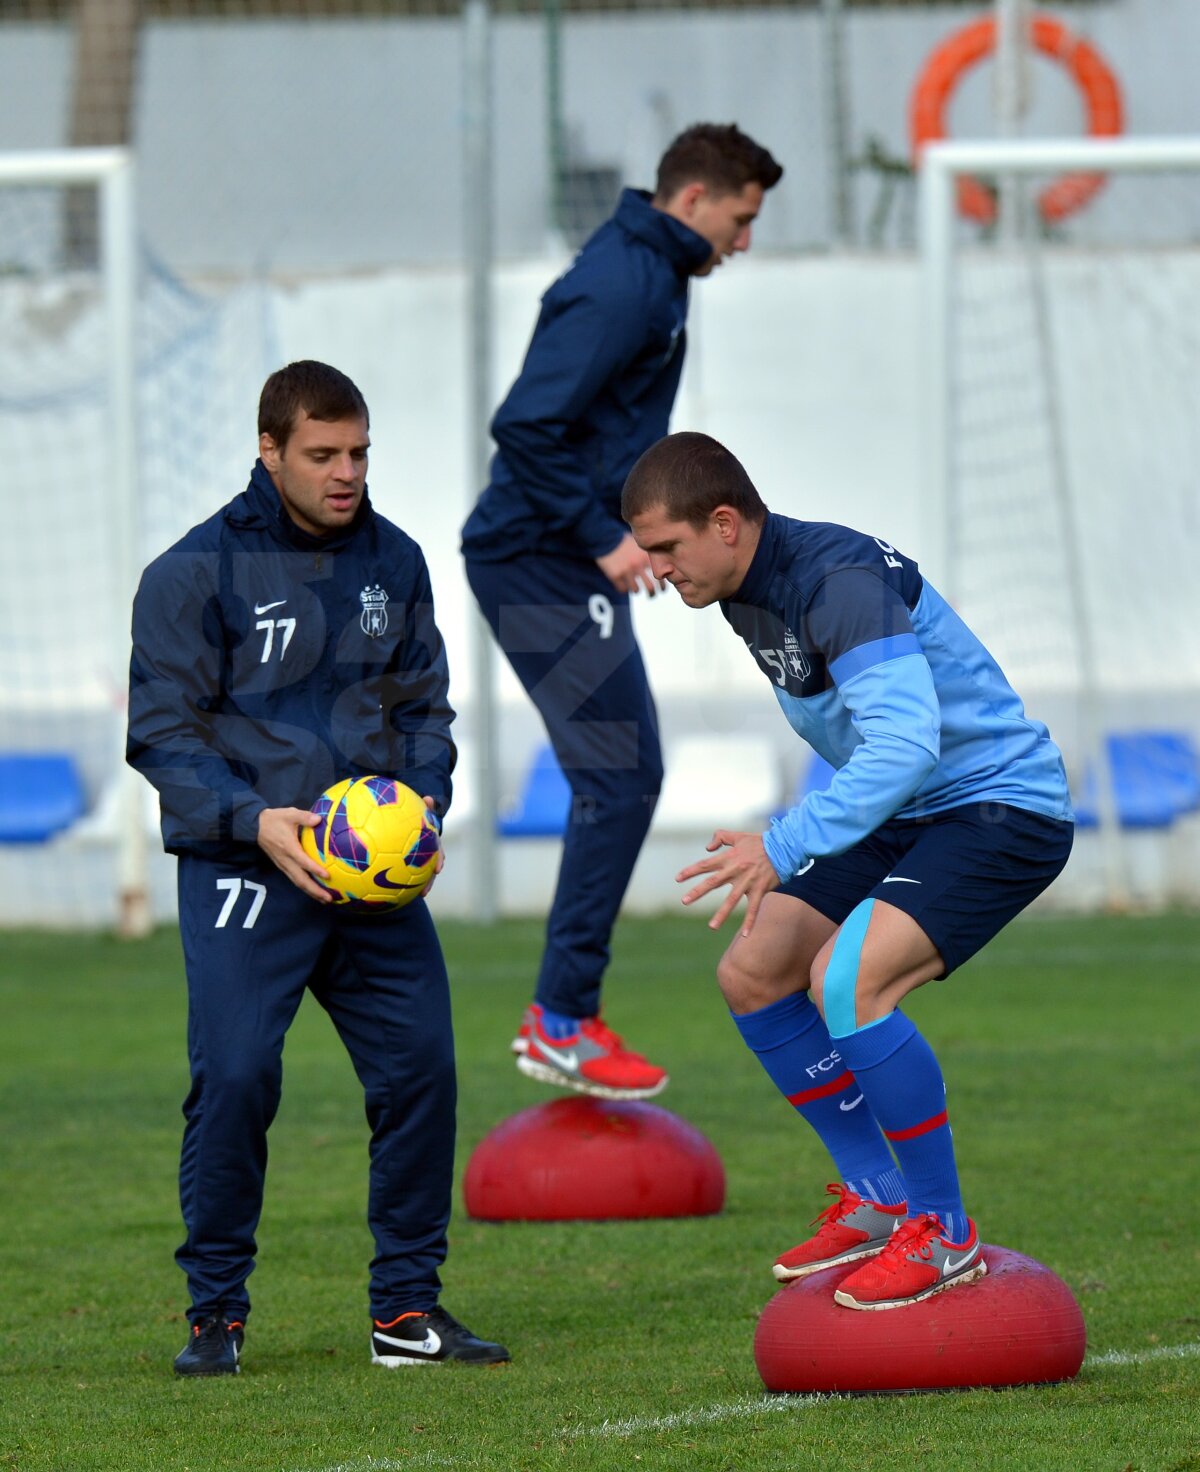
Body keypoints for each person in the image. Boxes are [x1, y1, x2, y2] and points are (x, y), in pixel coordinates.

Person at [621, 431, 1074, 1310]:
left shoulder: (835, 582)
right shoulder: (739, 589)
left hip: (1000, 808)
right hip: (907, 813)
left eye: (667, 548)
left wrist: (784, 843)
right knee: (754, 971)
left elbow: (905, 745)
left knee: (848, 982)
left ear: (724, 524)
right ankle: (878, 1196)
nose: (660, 570)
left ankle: (944, 1233)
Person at [127, 360, 508, 1374]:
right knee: (239, 1077)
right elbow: (162, 732)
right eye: (323, 454)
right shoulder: (190, 573)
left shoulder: (399, 559)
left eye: (360, 452)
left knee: (422, 1069)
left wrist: (422, 804)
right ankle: (215, 1313)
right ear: (270, 451)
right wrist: (254, 820)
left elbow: (425, 708)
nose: (347, 472)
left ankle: (407, 1310)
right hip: (247, 867)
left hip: (373, 887)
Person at [462, 123, 784, 1101]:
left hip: (555, 557)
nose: (744, 240)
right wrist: (602, 537)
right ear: (695, 200)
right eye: (741, 218)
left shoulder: (653, 270)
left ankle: (565, 1013)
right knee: (620, 772)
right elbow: (524, 422)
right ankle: (561, 1019)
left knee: (623, 770)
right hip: (537, 559)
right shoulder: (624, 283)